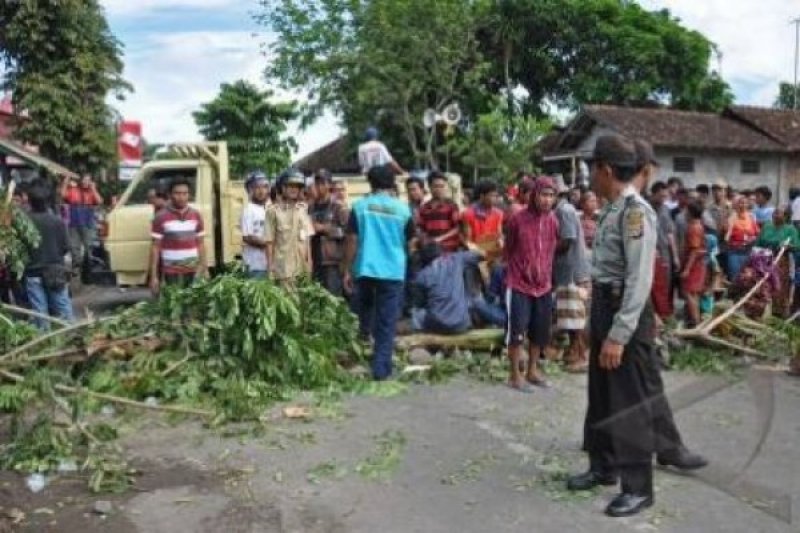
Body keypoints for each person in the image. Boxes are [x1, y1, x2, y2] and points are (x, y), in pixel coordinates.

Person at [567, 135, 706, 518]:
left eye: (591, 169)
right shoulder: (614, 209)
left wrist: (618, 334)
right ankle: (603, 466)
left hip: (623, 311)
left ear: (605, 170)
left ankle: (638, 488)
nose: (589, 178)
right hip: (605, 307)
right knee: (601, 394)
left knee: (628, 403)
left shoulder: (634, 213)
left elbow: (640, 279)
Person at [343, 164, 413, 380]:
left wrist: (347, 269)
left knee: (364, 309)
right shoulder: (403, 210)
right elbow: (410, 243)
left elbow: (352, 240)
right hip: (392, 270)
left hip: (365, 267)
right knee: (387, 319)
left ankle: (363, 348)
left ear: (370, 183)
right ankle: (381, 368)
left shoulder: (360, 206)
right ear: (391, 183)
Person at [503, 176, 560, 392]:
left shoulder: (553, 221)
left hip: (543, 285)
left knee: (539, 331)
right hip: (518, 284)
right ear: (534, 195)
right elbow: (508, 249)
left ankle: (532, 370)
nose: (547, 200)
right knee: (517, 331)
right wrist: (522, 268)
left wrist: (544, 272)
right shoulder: (517, 219)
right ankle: (514, 375)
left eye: (551, 195)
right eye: (543, 195)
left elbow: (552, 249)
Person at [24, 185, 74, 329]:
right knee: (64, 309)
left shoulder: (24, 221)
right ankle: (73, 337)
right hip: (55, 271)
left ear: (29, 201)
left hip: (32, 272)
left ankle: (45, 342)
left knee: (40, 313)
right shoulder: (57, 221)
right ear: (47, 202)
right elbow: (66, 247)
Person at [553, 180, 591, 373]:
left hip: (571, 270)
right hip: (566, 270)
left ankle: (581, 355)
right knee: (570, 316)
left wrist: (546, 249)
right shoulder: (562, 210)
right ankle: (574, 352)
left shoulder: (564, 211)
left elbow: (567, 239)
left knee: (575, 317)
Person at [410, 243, 486, 334]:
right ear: (442, 253)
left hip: (438, 324)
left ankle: (419, 337)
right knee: (469, 297)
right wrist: (471, 246)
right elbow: (482, 255)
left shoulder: (422, 275)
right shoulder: (456, 259)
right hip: (461, 323)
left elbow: (419, 304)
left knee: (416, 312)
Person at [149, 177, 208, 294]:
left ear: (189, 195)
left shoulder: (196, 215)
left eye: (185, 193)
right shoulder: (160, 217)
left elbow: (201, 244)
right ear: (170, 195)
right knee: (173, 307)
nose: (181, 197)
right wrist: (154, 276)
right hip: (171, 273)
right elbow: (155, 248)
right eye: (177, 193)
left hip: (193, 271)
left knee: (193, 306)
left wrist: (204, 268)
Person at [266, 170, 315, 284]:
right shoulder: (273, 212)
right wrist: (270, 267)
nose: (294, 189)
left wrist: (310, 262)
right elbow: (269, 242)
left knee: (303, 300)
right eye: (290, 186)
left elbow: (307, 239)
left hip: (302, 268)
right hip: (284, 269)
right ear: (282, 188)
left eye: (297, 186)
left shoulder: (303, 210)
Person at [309, 169, 349, 295]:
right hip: (314, 259)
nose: (319, 187)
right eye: (317, 183)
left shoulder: (339, 206)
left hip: (332, 261)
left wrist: (324, 229)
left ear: (329, 185)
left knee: (333, 299)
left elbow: (347, 233)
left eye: (323, 183)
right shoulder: (310, 207)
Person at [755, 208, 799, 318]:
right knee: (765, 283)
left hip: (781, 261)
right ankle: (764, 309)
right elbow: (758, 242)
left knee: (781, 285)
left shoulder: (790, 229)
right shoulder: (767, 226)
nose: (776, 215)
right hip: (765, 259)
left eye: (779, 214)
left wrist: (789, 246)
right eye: (775, 213)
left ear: (785, 217)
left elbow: (797, 246)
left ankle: (779, 312)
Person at [61, 173, 103, 279]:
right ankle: (76, 268)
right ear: (81, 181)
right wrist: (66, 182)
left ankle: (88, 267)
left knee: (89, 246)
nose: (86, 182)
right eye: (84, 180)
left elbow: (99, 201)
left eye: (88, 180)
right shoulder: (74, 190)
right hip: (74, 224)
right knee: (74, 247)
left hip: (88, 224)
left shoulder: (91, 192)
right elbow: (63, 195)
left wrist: (93, 189)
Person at [649, 182, 679, 320]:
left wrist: (675, 256)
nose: (663, 198)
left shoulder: (665, 210)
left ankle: (664, 314)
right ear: (653, 193)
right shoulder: (644, 208)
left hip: (665, 253)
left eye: (665, 196)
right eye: (661, 196)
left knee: (665, 284)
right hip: (648, 253)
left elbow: (670, 233)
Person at [417, 171, 461, 253]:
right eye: (436, 186)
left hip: (449, 250)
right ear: (429, 187)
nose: (439, 189)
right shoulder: (424, 208)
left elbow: (457, 228)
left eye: (442, 186)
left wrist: (440, 239)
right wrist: (425, 239)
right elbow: (421, 228)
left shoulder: (451, 206)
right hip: (430, 250)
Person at [681, 200, 707, 328]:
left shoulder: (694, 228)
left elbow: (694, 250)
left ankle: (696, 322)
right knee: (694, 294)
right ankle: (696, 320)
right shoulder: (698, 225)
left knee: (688, 293)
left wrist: (687, 268)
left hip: (694, 265)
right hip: (698, 264)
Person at [240, 171, 270, 278]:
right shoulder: (248, 210)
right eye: (257, 187)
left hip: (268, 264)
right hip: (254, 266)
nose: (261, 191)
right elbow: (247, 237)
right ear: (249, 190)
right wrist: (270, 245)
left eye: (265, 187)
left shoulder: (269, 209)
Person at [725, 195, 759, 280]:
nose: (742, 205)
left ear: (747, 205)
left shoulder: (751, 217)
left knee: (748, 280)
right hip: (734, 253)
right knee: (735, 279)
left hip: (748, 253)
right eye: (740, 203)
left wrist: (753, 239)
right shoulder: (731, 218)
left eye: (744, 203)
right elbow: (726, 238)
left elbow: (757, 234)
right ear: (735, 205)